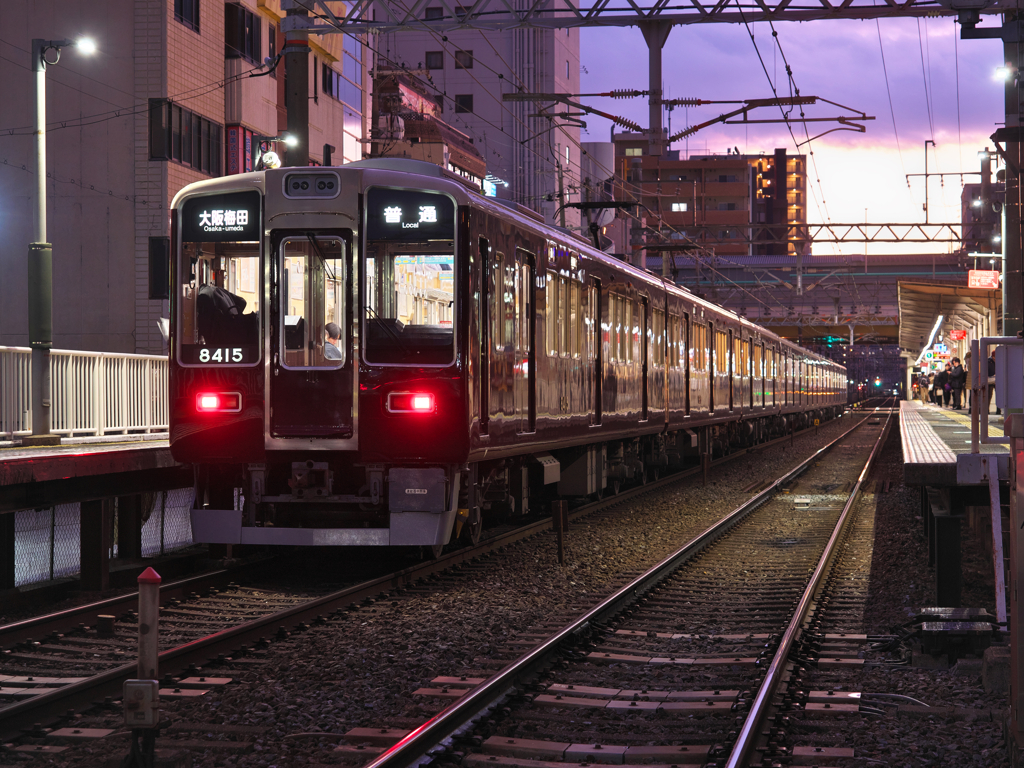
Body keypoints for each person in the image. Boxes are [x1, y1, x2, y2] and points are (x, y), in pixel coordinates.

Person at [988, 349, 999, 415]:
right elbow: (988, 370)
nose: (995, 358)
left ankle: (998, 409)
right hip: (990, 380)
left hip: (998, 381)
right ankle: (987, 409)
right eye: (994, 356)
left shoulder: (1000, 360)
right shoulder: (988, 361)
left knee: (999, 395)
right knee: (989, 395)